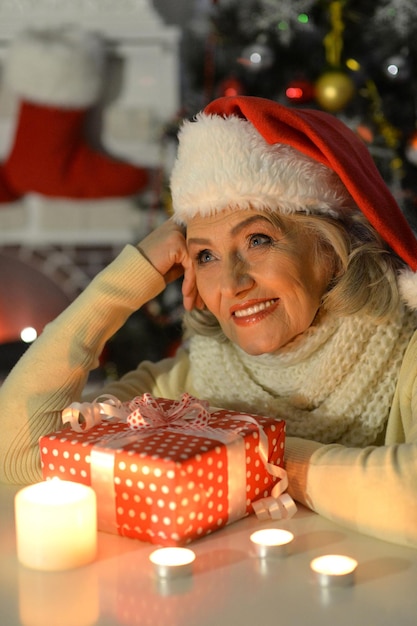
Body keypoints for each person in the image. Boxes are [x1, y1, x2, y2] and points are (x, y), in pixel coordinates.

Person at [1, 95, 417, 549]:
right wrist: (128, 276)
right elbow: (19, 453)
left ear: (329, 251)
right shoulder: (188, 386)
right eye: (206, 256)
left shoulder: (407, 357)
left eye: (258, 239)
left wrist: (256, 455)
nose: (232, 283)